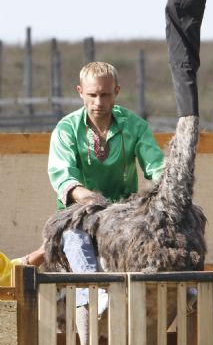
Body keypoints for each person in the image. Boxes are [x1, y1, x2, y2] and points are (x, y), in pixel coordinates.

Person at [39, 62, 164, 310]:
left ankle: (182, 289)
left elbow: (157, 167)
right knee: (74, 239)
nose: (98, 101)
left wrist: (169, 188)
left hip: (125, 216)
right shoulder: (66, 129)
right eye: (92, 95)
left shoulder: (135, 126)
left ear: (116, 91)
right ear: (80, 91)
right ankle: (93, 294)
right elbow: (64, 178)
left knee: (162, 233)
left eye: (105, 94)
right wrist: (94, 201)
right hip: (77, 215)